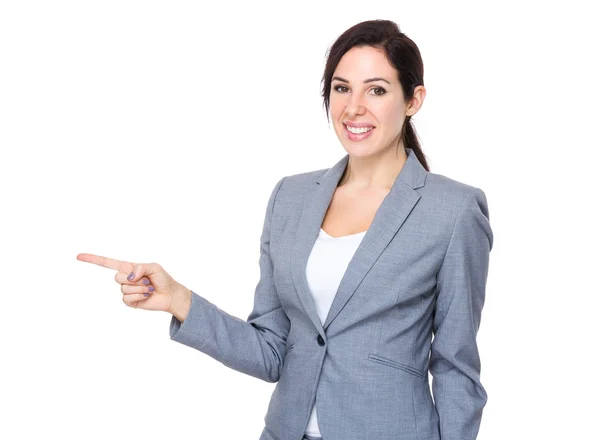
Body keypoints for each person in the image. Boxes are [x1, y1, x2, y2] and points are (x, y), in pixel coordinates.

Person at [77, 19, 493, 440]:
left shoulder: (453, 210)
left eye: (377, 89)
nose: (353, 107)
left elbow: (456, 367)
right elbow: (272, 350)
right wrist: (178, 300)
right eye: (341, 87)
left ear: (413, 100)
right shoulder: (290, 198)